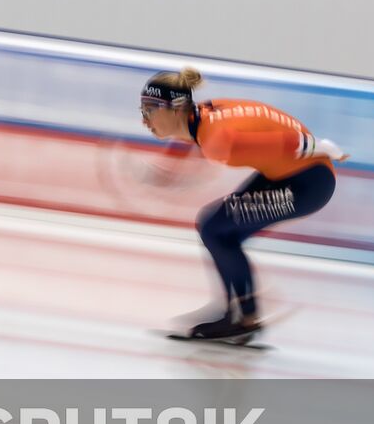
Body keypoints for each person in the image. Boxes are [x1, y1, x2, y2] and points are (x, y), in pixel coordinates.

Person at [140, 68, 349, 341]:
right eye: (142, 109)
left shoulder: (218, 139)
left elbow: (287, 143)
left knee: (215, 227)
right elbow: (189, 138)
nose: (144, 119)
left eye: (150, 110)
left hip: (308, 185)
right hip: (289, 174)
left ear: (176, 109)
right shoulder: (201, 116)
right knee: (219, 229)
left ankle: (242, 314)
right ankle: (243, 311)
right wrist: (169, 171)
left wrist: (328, 148)